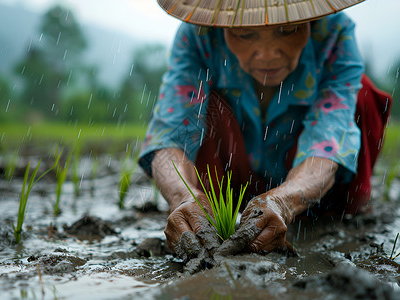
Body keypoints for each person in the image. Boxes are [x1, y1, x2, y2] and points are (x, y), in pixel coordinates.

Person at [138, 0, 392, 259]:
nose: (267, 53)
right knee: (206, 106)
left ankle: (328, 211)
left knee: (363, 94)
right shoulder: (200, 35)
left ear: (309, 21)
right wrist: (183, 196)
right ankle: (203, 212)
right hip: (228, 185)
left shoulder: (333, 32)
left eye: (288, 30)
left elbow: (329, 136)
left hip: (318, 193)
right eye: (245, 34)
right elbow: (170, 134)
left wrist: (283, 201)